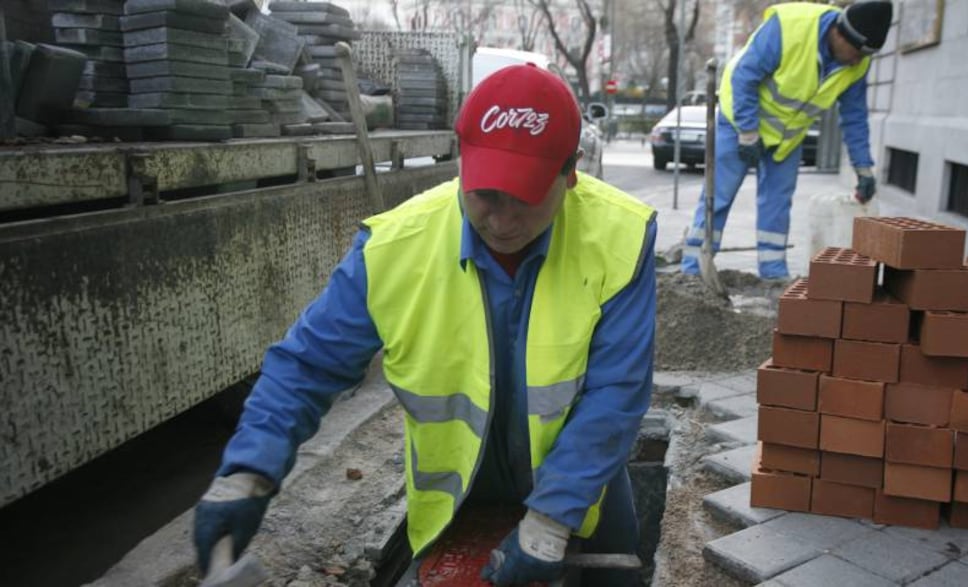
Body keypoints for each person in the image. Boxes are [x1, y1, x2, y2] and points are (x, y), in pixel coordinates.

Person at [191, 63, 658, 586]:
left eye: (523, 199)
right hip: (457, 505)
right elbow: (305, 368)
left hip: (586, 498)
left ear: (569, 173)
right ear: (463, 164)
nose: (502, 222)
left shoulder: (619, 239)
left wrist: (552, 520)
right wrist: (248, 472)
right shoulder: (394, 250)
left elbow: (615, 395)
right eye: (485, 195)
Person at [681, 0, 894, 280]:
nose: (858, 61)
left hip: (785, 139)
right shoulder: (789, 28)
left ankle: (773, 274)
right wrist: (747, 133)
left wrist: (864, 169)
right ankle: (694, 272)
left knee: (777, 206)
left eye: (865, 56)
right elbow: (745, 75)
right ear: (839, 34)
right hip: (739, 123)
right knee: (717, 196)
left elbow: (855, 118)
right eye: (856, 52)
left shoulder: (858, 64)